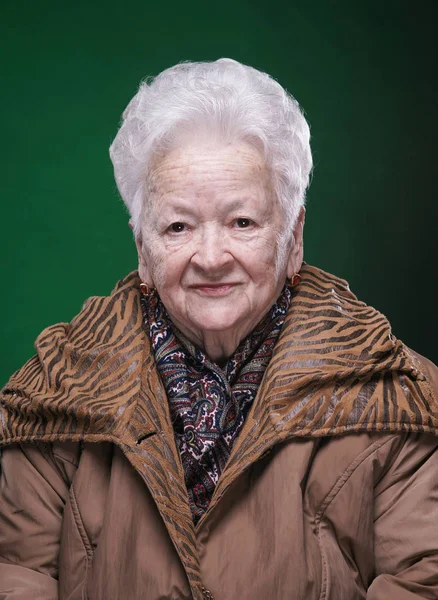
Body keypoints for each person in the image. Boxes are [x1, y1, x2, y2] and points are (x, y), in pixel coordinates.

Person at [0, 58, 437, 600]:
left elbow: (423, 580)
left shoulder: (400, 399)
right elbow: (17, 577)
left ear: (293, 236)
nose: (210, 257)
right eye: (178, 226)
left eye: (242, 222)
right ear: (142, 247)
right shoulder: (54, 397)